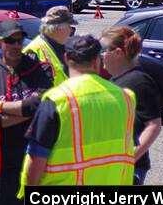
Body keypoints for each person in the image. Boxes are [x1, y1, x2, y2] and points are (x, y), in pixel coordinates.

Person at [19, 35, 136, 196]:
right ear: (97, 61)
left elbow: (36, 159)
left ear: (66, 59)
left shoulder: (57, 100)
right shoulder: (126, 98)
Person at [0, 20, 52, 205]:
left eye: (19, 40)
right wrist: (28, 114)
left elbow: (43, 104)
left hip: (36, 163)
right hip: (5, 167)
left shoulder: (38, 69)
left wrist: (0, 107)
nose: (16, 45)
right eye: (10, 40)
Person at [101, 26, 162, 185]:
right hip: (111, 165)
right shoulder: (115, 80)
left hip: (131, 168)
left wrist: (130, 157)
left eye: (104, 50)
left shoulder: (139, 82)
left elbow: (154, 125)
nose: (102, 56)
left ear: (118, 53)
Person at [23, 5, 76, 86]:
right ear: (58, 29)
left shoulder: (64, 47)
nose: (71, 30)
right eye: (69, 26)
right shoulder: (33, 50)